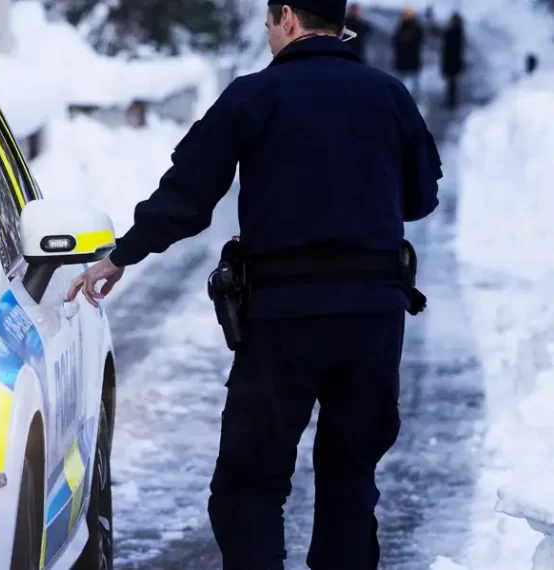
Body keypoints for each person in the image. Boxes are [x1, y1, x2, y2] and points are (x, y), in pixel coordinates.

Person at [66, 0, 443, 567]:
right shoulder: (388, 95)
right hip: (372, 319)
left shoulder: (253, 95)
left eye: (268, 22)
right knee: (349, 480)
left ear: (287, 17)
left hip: (281, 325)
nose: (267, 34)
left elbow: (188, 196)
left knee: (248, 487)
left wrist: (123, 254)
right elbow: (422, 198)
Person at [394, 7, 424, 95]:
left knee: (415, 84)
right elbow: (396, 41)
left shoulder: (416, 27)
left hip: (413, 59)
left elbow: (418, 41)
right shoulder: (401, 27)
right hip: (402, 59)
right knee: (401, 85)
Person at [441, 13, 466, 108]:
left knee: (452, 83)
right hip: (453, 61)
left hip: (452, 61)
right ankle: (451, 100)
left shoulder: (454, 32)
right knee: (452, 82)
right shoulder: (458, 32)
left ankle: (451, 101)